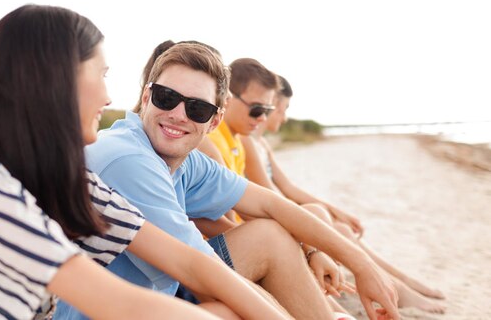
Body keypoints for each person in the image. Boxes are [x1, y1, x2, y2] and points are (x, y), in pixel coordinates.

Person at [0, 5, 285, 320]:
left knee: (226, 310)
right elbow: (123, 305)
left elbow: (191, 263)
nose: (110, 98)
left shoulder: (62, 182)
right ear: (57, 79)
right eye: (102, 74)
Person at [63, 42, 400, 320]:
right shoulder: (129, 159)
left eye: (197, 109)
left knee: (268, 236)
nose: (179, 114)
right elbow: (201, 274)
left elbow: (269, 203)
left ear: (214, 120)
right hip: (105, 311)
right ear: (148, 96)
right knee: (229, 310)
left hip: (155, 295)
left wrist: (361, 264)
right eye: (167, 97)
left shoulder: (183, 158)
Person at [240, 74, 447, 314]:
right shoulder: (246, 142)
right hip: (264, 222)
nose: (284, 117)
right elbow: (272, 197)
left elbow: (289, 189)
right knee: (329, 223)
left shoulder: (261, 144)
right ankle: (394, 288)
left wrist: (336, 211)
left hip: (275, 213)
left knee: (340, 226)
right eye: (282, 109)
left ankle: (399, 283)